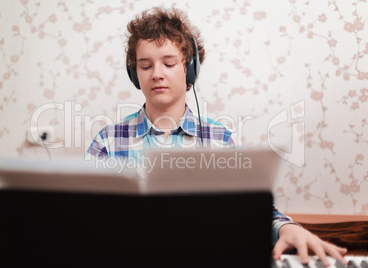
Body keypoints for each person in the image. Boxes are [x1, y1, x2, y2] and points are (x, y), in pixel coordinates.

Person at [86, 7, 348, 266]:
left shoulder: (221, 140)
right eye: (145, 65)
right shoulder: (108, 141)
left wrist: (285, 228)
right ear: (135, 74)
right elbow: (80, 215)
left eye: (168, 63)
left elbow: (252, 208)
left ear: (190, 69)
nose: (156, 73)